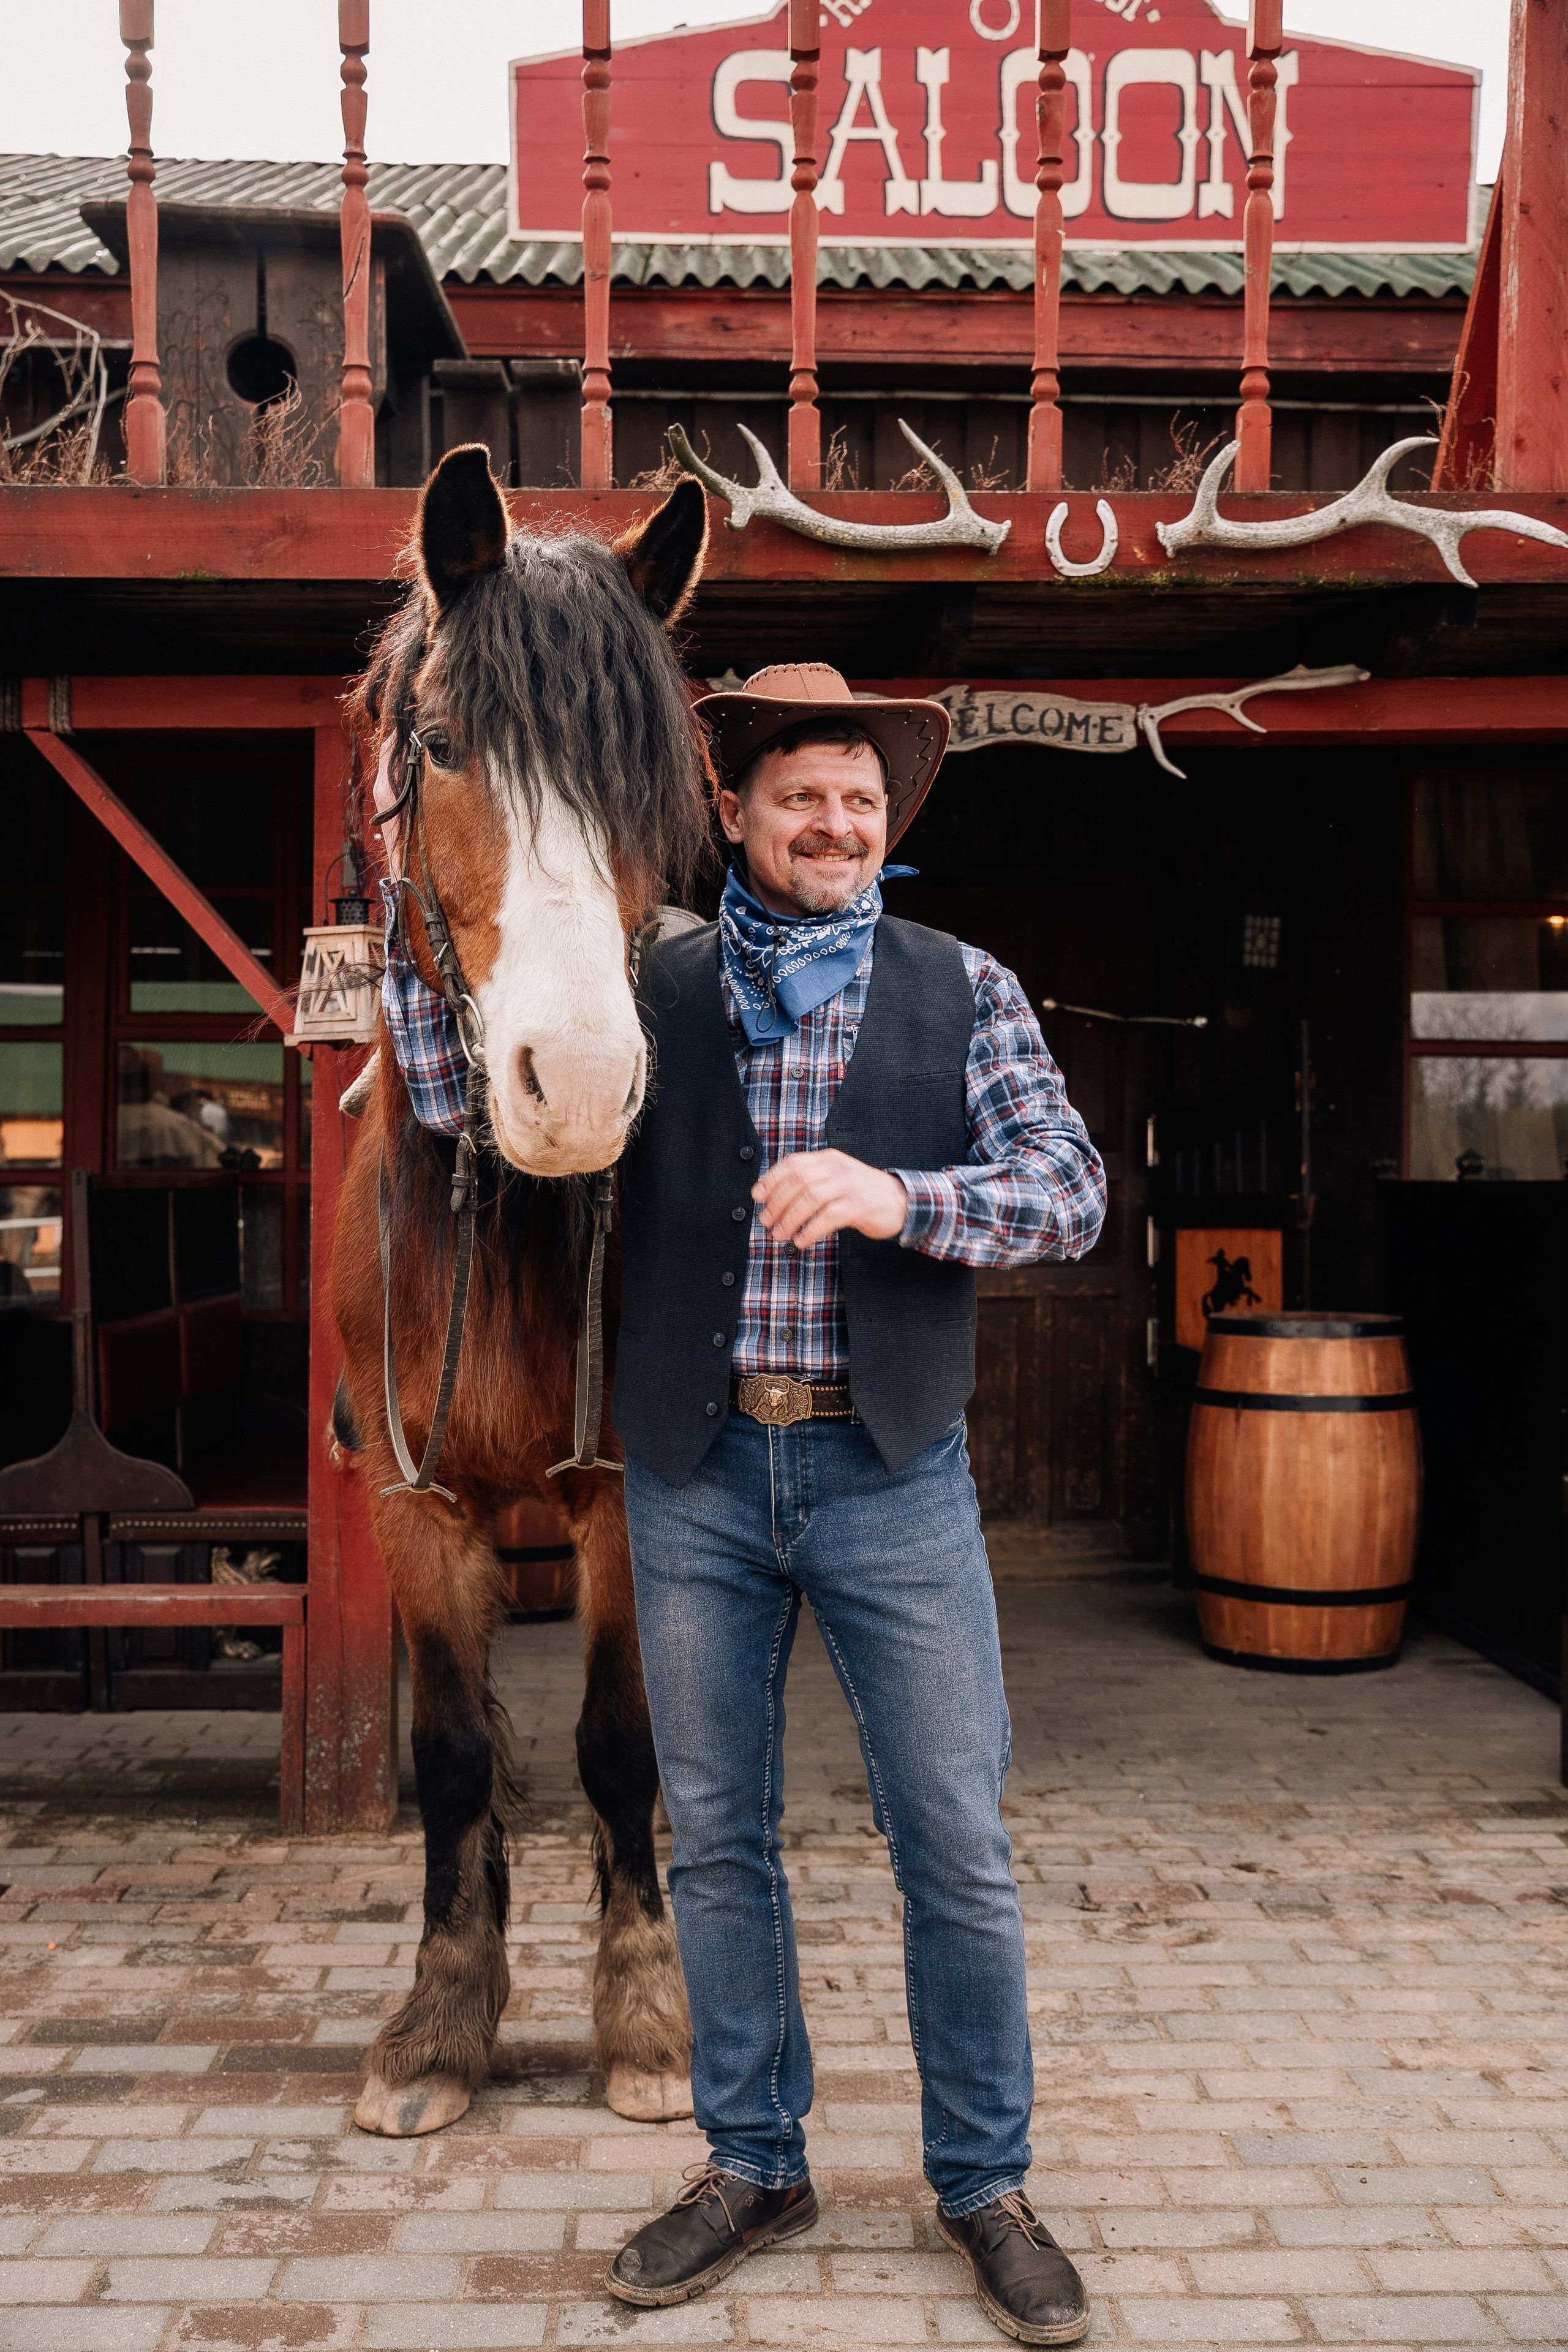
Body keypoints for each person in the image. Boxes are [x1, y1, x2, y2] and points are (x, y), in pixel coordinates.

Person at [376, 663, 1106, 2348]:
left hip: (892, 1473)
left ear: (888, 818)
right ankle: (752, 2163)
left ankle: (986, 2186)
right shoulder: (655, 981)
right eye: (800, 798)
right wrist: (410, 869)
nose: (834, 822)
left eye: (860, 798)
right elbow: (448, 1090)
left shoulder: (965, 989)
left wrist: (899, 1193)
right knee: (718, 1845)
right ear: (740, 815)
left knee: (956, 1848)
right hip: (696, 1478)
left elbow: (1068, 1196)